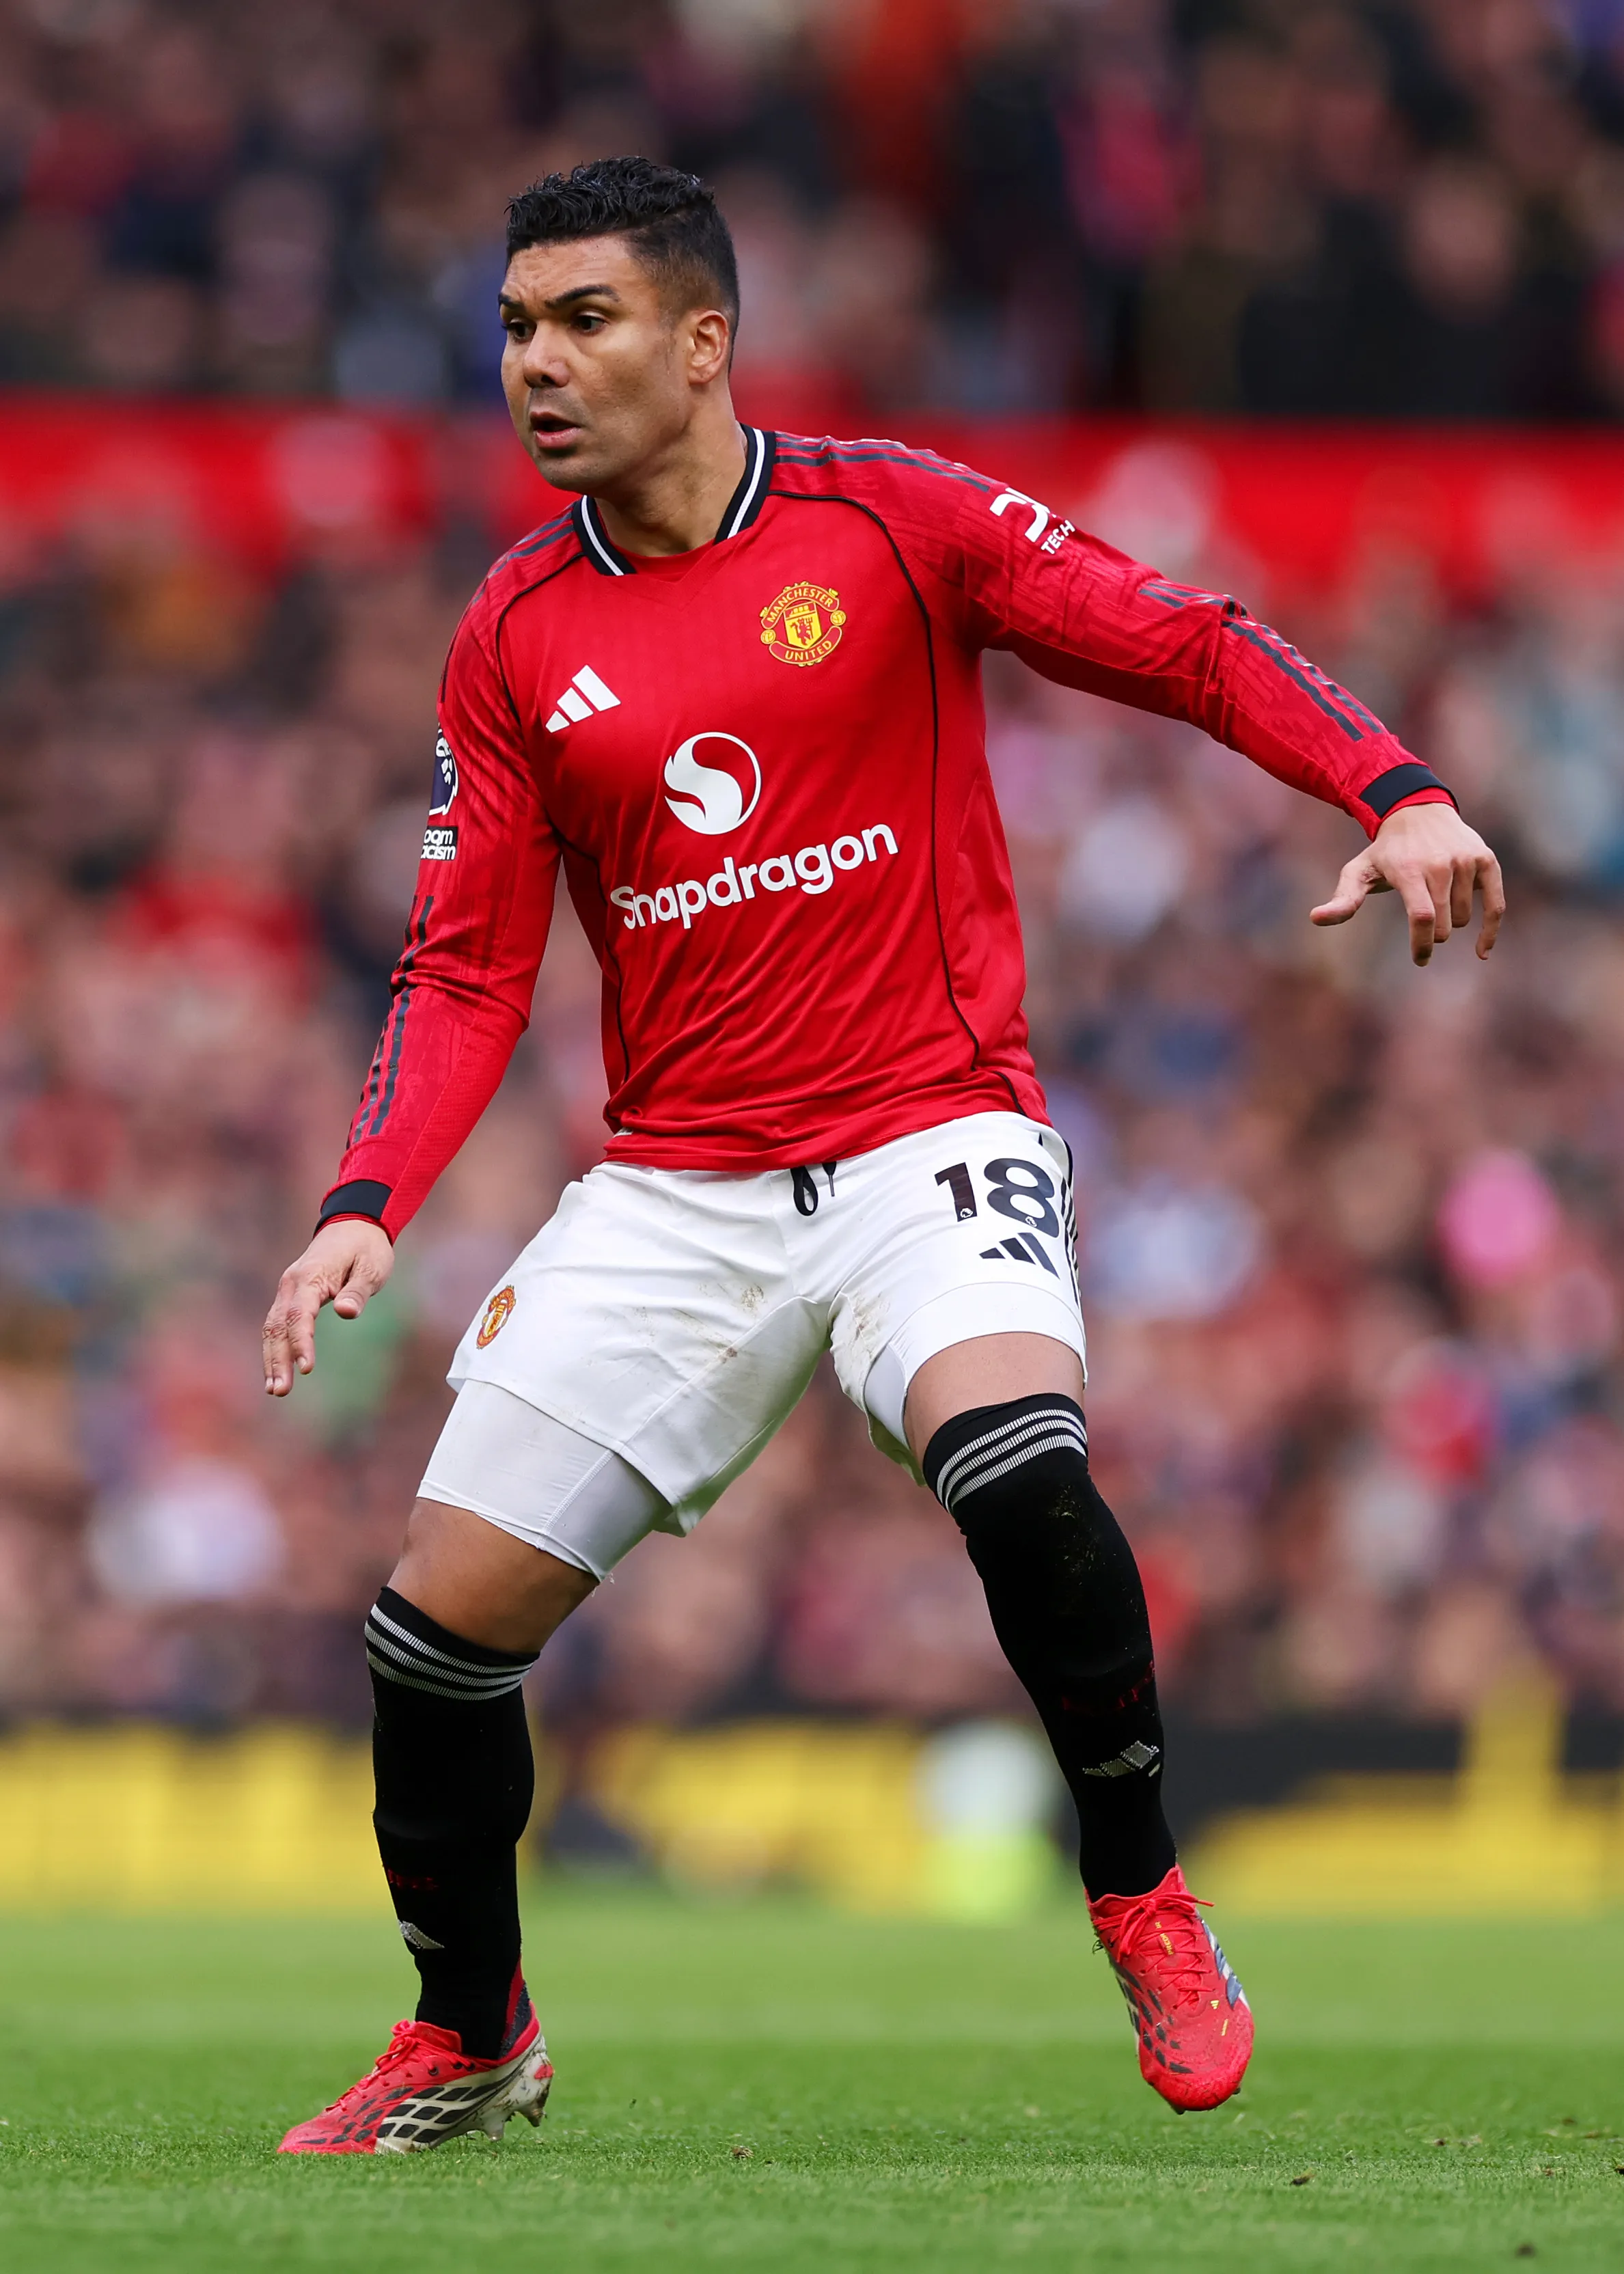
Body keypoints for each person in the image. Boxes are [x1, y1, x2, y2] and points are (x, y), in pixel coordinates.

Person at [262, 158, 1504, 2156]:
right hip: (676, 1189)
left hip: (930, 1129)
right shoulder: (511, 634)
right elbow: (467, 963)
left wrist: (1398, 785)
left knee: (1017, 1461)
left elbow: (1181, 640)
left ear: (702, 340)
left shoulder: (890, 520)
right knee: (431, 1637)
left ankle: (1141, 1892)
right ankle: (473, 2031)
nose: (536, 365)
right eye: (513, 328)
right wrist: (358, 1207)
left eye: (582, 319)